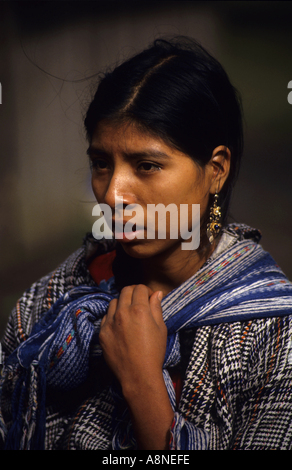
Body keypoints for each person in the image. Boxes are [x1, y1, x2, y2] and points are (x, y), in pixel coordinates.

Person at [1, 36, 292, 451]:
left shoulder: (274, 336)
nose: (113, 194)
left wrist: (142, 382)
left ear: (216, 170)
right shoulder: (51, 302)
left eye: (147, 165)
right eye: (101, 163)